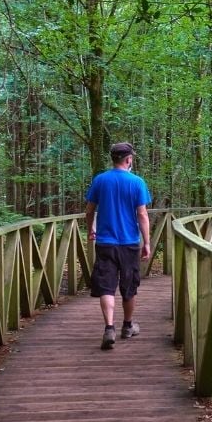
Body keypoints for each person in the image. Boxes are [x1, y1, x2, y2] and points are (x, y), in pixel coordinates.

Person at [85, 142, 151, 350]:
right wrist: (147, 242)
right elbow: (142, 214)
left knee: (106, 285)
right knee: (129, 286)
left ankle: (109, 328)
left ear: (113, 159)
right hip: (129, 242)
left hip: (105, 242)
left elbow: (89, 210)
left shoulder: (100, 180)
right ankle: (127, 326)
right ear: (128, 159)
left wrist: (90, 229)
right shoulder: (137, 182)